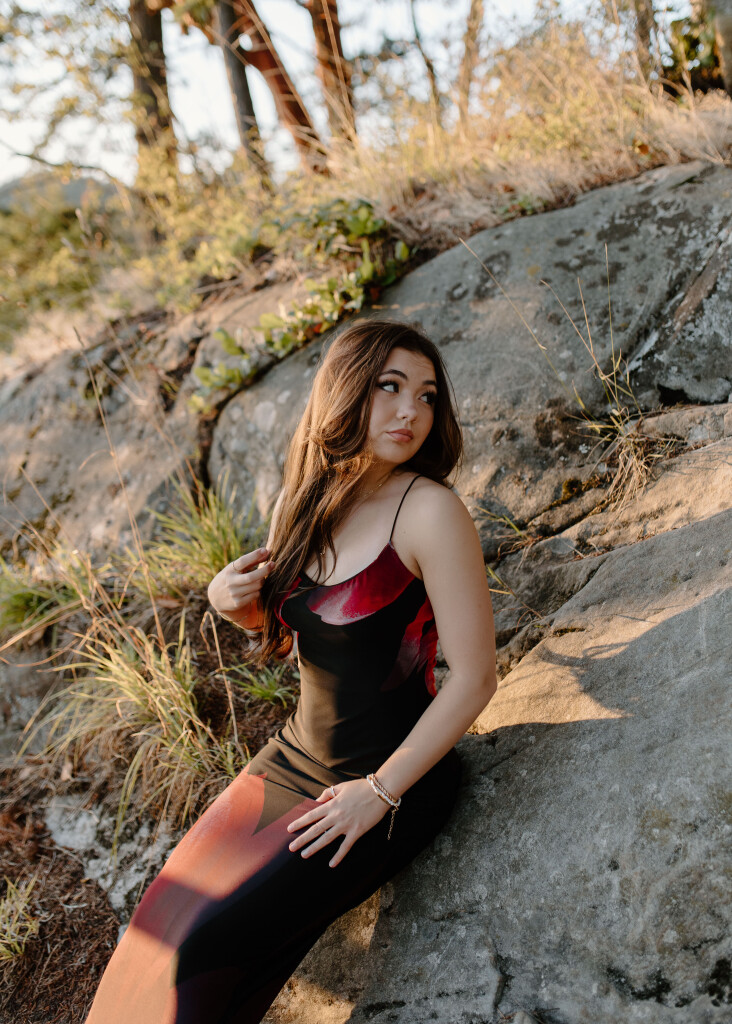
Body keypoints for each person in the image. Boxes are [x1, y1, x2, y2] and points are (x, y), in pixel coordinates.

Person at [84, 318, 497, 1024]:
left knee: (200, 956)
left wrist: (379, 792)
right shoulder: (302, 502)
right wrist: (232, 605)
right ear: (345, 390)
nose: (411, 411)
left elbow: (475, 678)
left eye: (428, 396)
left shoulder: (430, 512)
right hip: (291, 760)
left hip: (389, 783)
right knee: (149, 941)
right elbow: (295, 640)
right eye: (390, 387)